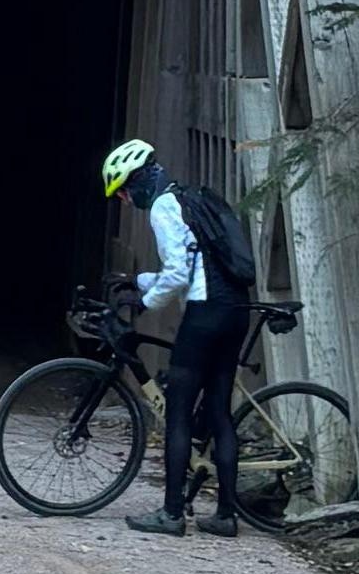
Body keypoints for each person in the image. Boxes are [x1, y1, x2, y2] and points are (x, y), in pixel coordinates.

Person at [104, 133, 258, 537]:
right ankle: (225, 516)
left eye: (121, 193)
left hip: (205, 316)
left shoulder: (162, 207)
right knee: (220, 412)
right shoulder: (190, 198)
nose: (125, 202)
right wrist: (138, 280)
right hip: (234, 310)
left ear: (135, 181)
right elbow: (195, 266)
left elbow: (177, 274)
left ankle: (172, 514)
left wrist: (144, 303)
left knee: (178, 412)